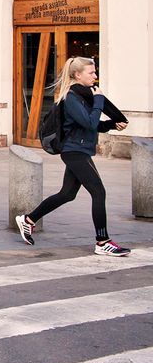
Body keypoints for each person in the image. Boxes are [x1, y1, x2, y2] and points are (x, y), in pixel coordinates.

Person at [16, 56, 130, 256]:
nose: (95, 76)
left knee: (67, 194)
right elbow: (89, 123)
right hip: (74, 152)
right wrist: (99, 100)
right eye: (91, 73)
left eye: (95, 72)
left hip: (80, 149)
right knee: (98, 192)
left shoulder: (82, 96)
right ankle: (102, 242)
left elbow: (90, 125)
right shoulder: (71, 98)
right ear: (77, 74)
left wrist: (112, 124)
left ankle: (28, 220)